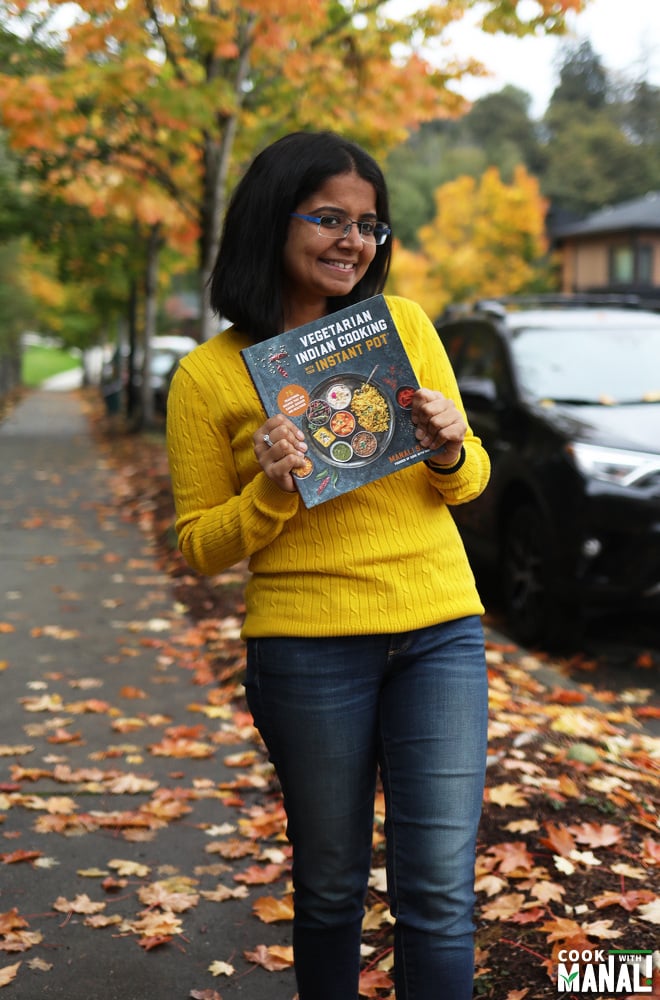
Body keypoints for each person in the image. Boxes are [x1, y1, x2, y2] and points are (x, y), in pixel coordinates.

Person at [166, 130, 491, 1000]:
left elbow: (468, 484)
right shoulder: (209, 377)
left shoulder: (403, 327)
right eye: (329, 218)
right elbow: (197, 546)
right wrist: (271, 490)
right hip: (309, 649)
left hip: (438, 633)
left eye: (370, 226)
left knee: (437, 895)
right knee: (331, 890)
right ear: (273, 221)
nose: (355, 241)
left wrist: (452, 449)